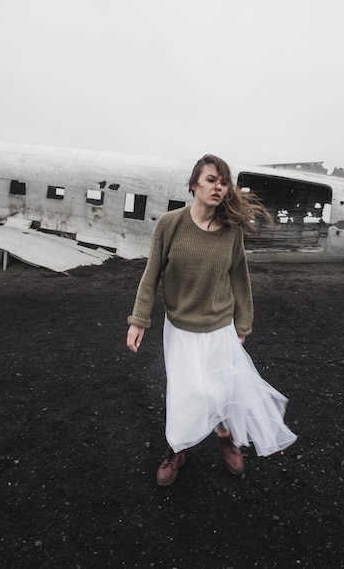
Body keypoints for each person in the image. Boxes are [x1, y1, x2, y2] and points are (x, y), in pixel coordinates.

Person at [126, 154, 297, 486]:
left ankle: (223, 435)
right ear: (193, 185)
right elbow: (151, 275)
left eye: (223, 182)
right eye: (211, 180)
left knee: (219, 389)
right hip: (180, 327)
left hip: (220, 326)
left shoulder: (231, 232)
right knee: (187, 390)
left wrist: (243, 323)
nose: (218, 187)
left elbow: (239, 279)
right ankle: (177, 448)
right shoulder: (170, 224)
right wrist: (139, 320)